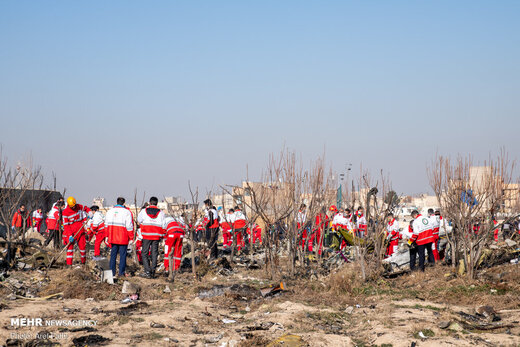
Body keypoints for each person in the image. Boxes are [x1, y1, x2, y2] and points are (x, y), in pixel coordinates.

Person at [105, 197, 134, 277]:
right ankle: (121, 273)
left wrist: (106, 236)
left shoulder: (109, 211)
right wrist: (131, 238)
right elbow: (129, 226)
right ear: (124, 203)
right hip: (123, 237)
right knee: (123, 255)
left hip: (112, 236)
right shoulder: (126, 212)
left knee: (113, 255)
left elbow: (106, 225)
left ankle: (112, 272)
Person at [137, 197, 166, 278]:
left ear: (149, 203)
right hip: (156, 235)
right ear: (157, 203)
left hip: (146, 234)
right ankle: (153, 272)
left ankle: (147, 271)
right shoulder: (161, 213)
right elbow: (164, 224)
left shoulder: (144, 211)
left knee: (144, 253)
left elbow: (139, 220)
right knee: (154, 253)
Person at [62, 197, 91, 265]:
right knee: (70, 249)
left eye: (74, 205)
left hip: (80, 230)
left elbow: (86, 208)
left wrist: (89, 212)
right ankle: (69, 264)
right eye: (72, 206)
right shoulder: (65, 212)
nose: (74, 207)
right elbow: (66, 226)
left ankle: (83, 262)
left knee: (82, 248)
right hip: (71, 232)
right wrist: (69, 236)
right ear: (69, 205)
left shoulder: (78, 206)